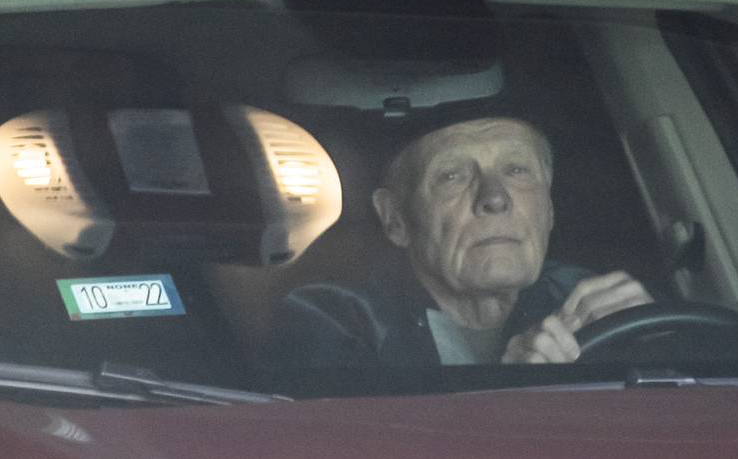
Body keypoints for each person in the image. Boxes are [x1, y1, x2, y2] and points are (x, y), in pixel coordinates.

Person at [275, 113, 653, 365]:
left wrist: (658, 341)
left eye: (517, 170)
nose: (495, 197)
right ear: (396, 220)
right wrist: (513, 393)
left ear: (549, 208)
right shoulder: (335, 317)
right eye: (453, 176)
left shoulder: (584, 298)